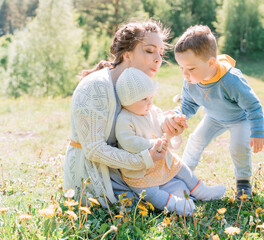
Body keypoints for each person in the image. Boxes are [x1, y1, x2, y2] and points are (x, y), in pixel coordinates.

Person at [63, 20, 188, 208]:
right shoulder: (96, 87)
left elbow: (145, 131)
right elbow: (94, 149)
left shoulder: (135, 88)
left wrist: (168, 130)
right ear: (127, 54)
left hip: (127, 170)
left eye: (161, 53)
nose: (158, 59)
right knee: (163, 198)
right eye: (149, 50)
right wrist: (143, 160)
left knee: (183, 187)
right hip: (95, 174)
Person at [115, 67, 226, 216]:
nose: (149, 103)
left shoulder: (151, 110)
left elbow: (161, 122)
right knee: (150, 193)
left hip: (161, 160)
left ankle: (201, 191)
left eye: (150, 98)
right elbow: (128, 141)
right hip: (140, 169)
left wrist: (170, 121)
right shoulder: (125, 119)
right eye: (144, 99)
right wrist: (152, 144)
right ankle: (175, 204)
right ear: (127, 100)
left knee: (181, 167)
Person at [173, 25, 264, 199]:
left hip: (240, 119)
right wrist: (176, 113)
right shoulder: (190, 81)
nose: (185, 74)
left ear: (210, 63)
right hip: (214, 118)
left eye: (191, 69)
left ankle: (243, 183)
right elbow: (188, 104)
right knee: (195, 140)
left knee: (238, 147)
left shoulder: (231, 80)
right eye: (181, 68)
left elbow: (253, 105)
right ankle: (182, 179)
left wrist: (258, 132)